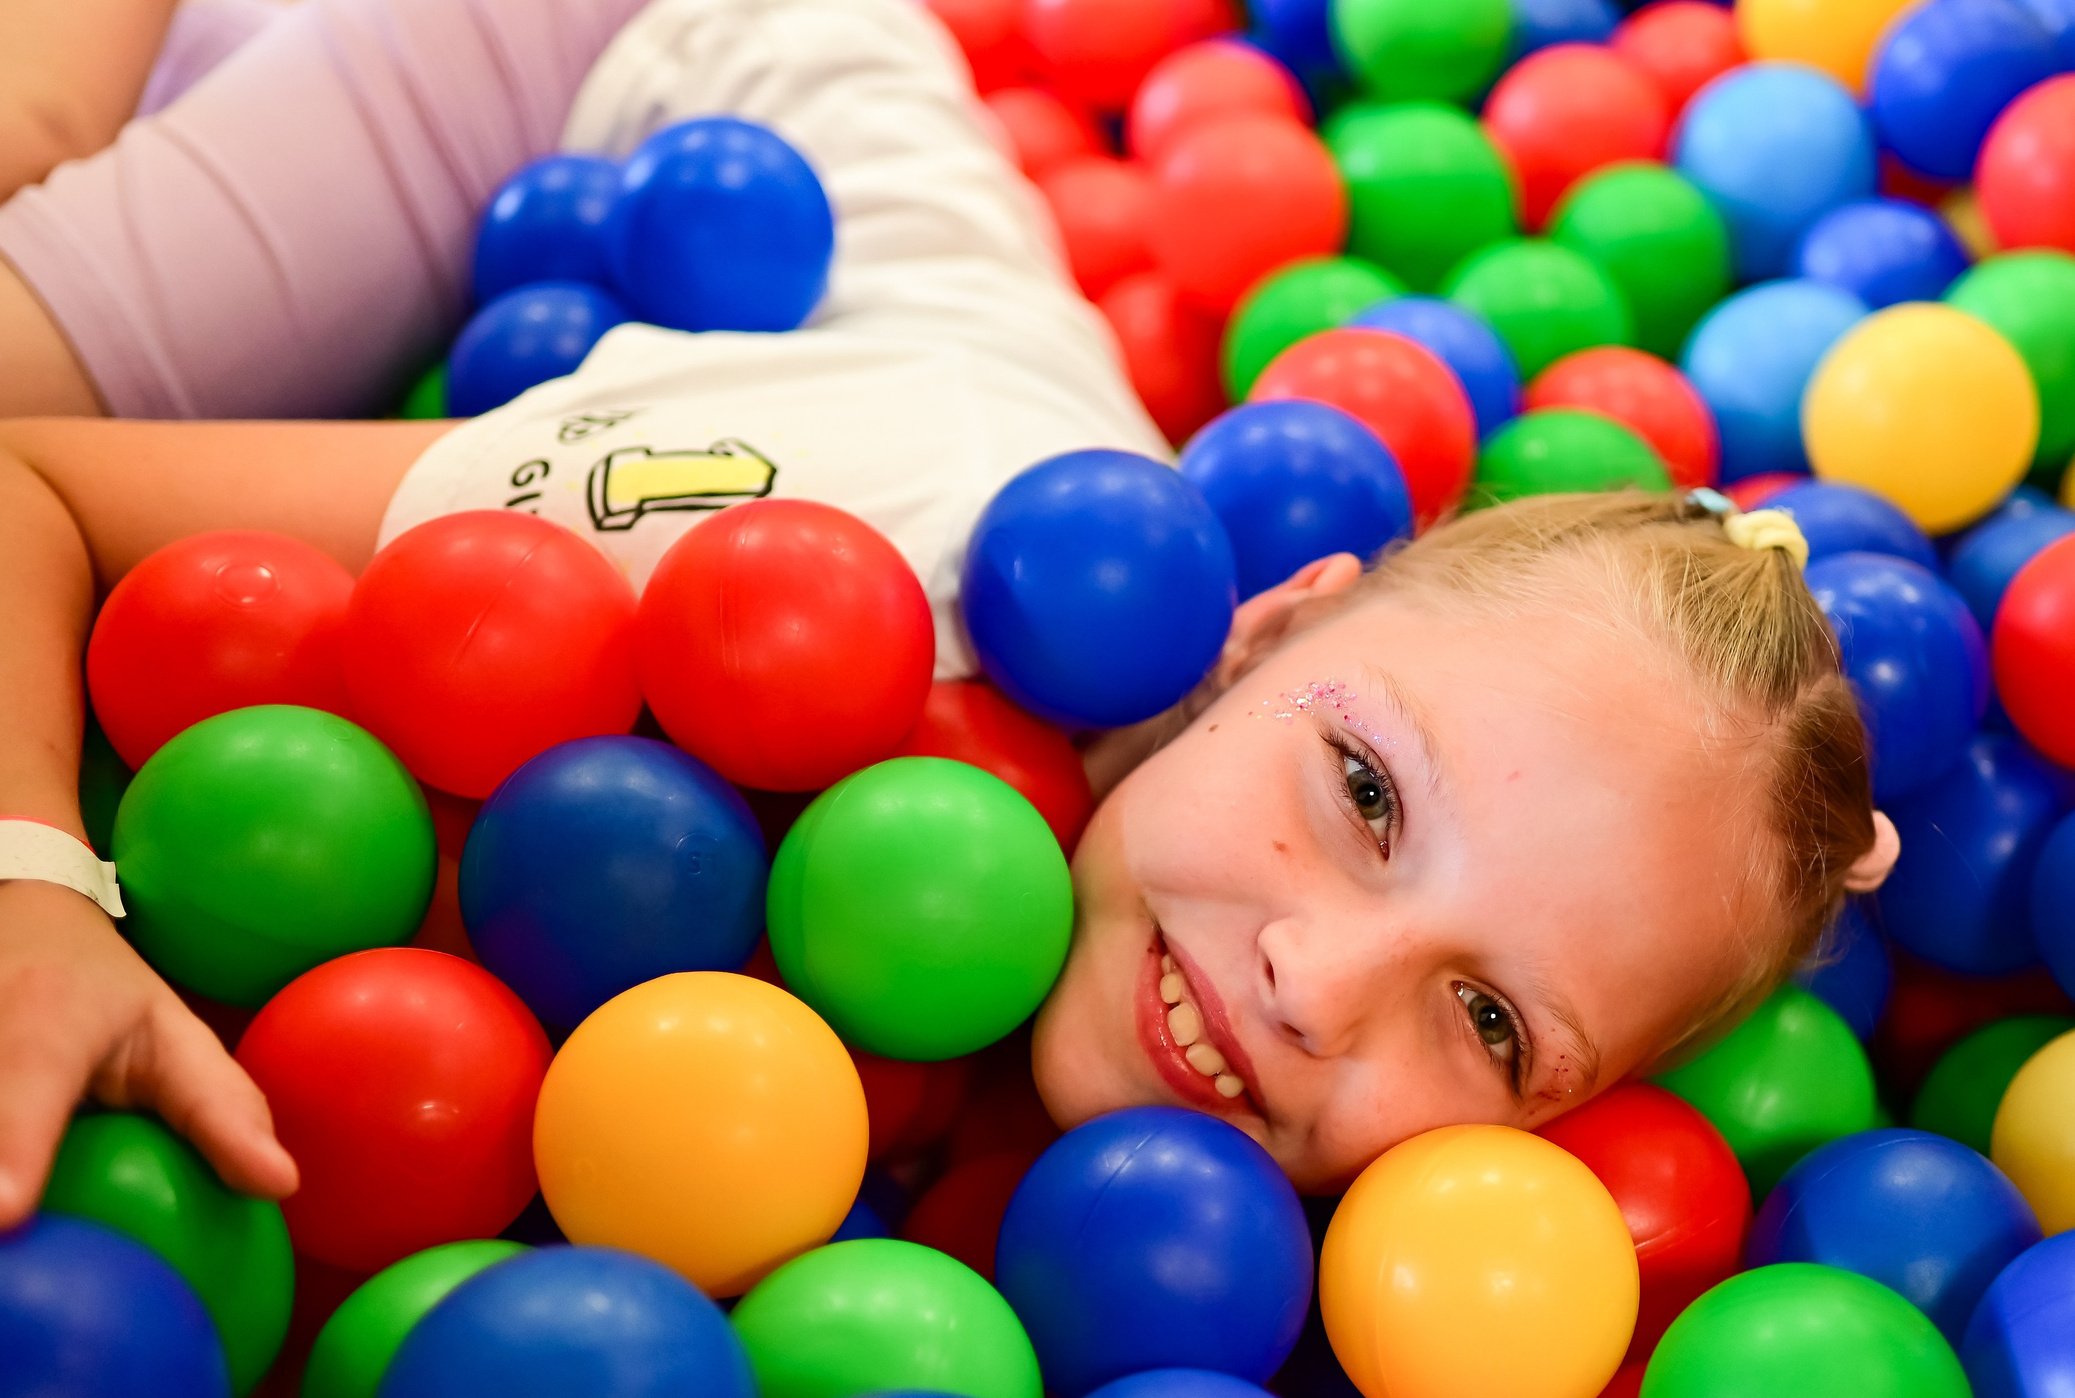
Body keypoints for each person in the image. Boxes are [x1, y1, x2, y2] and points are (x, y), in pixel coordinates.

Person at [0, 0, 1897, 1220]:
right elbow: (25, 481)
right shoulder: (851, 554)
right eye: (1368, 798)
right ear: (1258, 634)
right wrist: (32, 885)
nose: (1317, 991)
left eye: (1486, 1020)